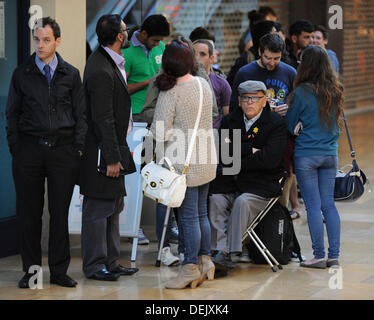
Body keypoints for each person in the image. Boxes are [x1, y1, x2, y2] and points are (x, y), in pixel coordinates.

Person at [6, 17, 87, 288]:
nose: (40, 45)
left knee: (59, 214)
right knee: (29, 214)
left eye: (46, 40)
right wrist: (16, 149)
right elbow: (12, 114)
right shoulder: (22, 73)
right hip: (29, 151)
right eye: (37, 39)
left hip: (63, 152)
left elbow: (81, 114)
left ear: (57, 41)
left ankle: (60, 271)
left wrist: (77, 148)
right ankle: (31, 272)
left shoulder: (71, 74)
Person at [150, 41, 217, 289]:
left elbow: (160, 132)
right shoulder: (203, 84)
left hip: (183, 165)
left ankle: (189, 267)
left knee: (187, 218)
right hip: (206, 160)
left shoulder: (172, 92)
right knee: (201, 214)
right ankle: (205, 261)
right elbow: (211, 117)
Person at [79, 14, 139, 281]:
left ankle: (112, 261)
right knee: (98, 208)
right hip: (102, 151)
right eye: (126, 31)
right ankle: (94, 265)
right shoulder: (100, 68)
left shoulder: (109, 61)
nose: (128, 34)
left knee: (113, 207)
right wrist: (112, 157)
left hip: (113, 146)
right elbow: (102, 117)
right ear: (118, 37)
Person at [212, 80, 287, 270]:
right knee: (216, 199)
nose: (250, 103)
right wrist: (251, 150)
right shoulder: (230, 120)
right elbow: (223, 154)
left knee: (242, 202)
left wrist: (238, 155)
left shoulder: (276, 124)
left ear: (264, 101)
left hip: (261, 185)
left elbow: (269, 160)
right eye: (245, 98)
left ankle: (229, 251)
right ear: (239, 101)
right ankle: (217, 251)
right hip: (232, 182)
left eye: (255, 98)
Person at [286, 45, 344, 268]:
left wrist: (298, 123)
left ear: (306, 66)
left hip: (307, 155)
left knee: (312, 206)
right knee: (329, 205)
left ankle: (318, 255)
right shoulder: (335, 90)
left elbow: (290, 124)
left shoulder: (301, 92)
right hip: (330, 154)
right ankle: (334, 255)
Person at [122, 14, 170, 121]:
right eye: (155, 40)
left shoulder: (161, 46)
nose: (158, 44)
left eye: (160, 40)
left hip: (158, 110)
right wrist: (148, 82)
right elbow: (121, 89)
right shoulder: (126, 52)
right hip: (136, 113)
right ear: (144, 34)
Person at [193, 39, 232, 128]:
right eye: (194, 54)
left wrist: (224, 141)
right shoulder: (183, 81)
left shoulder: (222, 83)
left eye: (202, 54)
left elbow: (228, 118)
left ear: (211, 58)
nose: (197, 58)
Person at [227, 20, 277, 87]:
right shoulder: (245, 60)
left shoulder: (280, 58)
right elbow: (231, 86)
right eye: (274, 35)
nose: (278, 38)